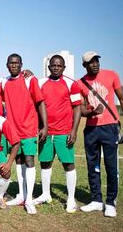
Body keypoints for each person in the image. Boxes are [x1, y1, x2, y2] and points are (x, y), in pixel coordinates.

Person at [78, 51, 123, 217]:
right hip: (91, 129)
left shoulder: (112, 75)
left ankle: (111, 202)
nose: (95, 64)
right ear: (84, 65)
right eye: (91, 62)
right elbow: (80, 108)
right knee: (92, 166)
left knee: (111, 166)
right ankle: (96, 200)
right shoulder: (80, 83)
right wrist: (90, 112)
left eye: (96, 60)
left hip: (110, 127)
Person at [35, 55, 81, 213]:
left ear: (63, 68)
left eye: (59, 65)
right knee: (45, 162)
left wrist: (74, 130)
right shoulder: (41, 83)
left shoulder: (71, 84)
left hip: (64, 132)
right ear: (49, 67)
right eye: (53, 65)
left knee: (68, 164)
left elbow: (77, 108)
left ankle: (70, 199)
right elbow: (37, 106)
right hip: (46, 132)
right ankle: (46, 194)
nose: (56, 68)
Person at [2, 53, 48, 215]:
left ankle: (29, 199)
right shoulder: (4, 82)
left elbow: (40, 102)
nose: (14, 65)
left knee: (29, 161)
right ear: (7, 65)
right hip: (12, 130)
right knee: (19, 161)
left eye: (16, 63)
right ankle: (21, 195)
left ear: (21, 64)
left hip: (28, 128)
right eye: (11, 63)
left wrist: (45, 125)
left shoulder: (30, 80)